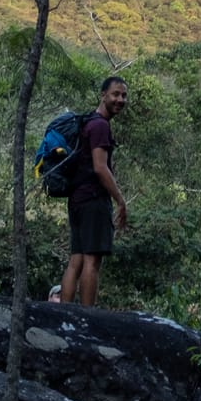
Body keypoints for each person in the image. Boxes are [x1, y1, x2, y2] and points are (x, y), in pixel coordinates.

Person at [59, 74, 128, 307]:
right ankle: (88, 317)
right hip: (93, 199)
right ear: (103, 95)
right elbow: (100, 168)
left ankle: (65, 311)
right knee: (92, 261)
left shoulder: (88, 122)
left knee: (76, 260)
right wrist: (119, 199)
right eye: (116, 94)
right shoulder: (99, 126)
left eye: (124, 95)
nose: (120, 99)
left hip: (77, 199)